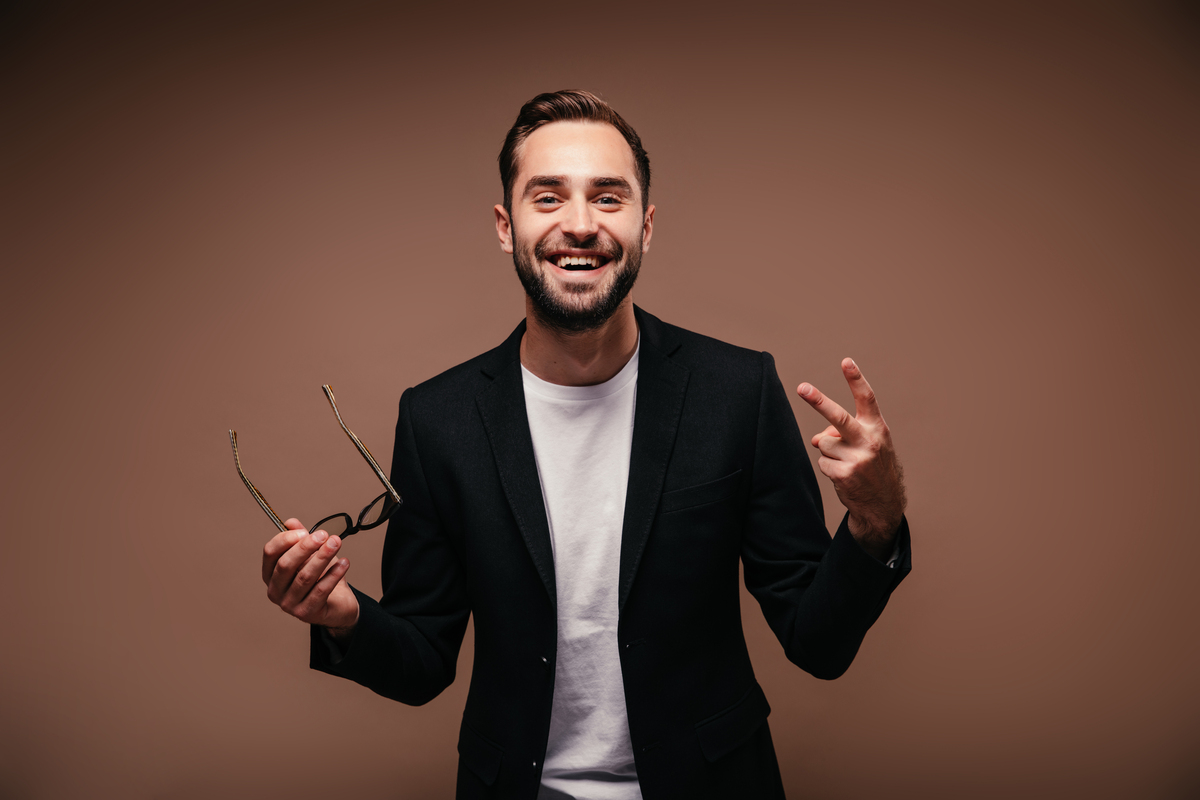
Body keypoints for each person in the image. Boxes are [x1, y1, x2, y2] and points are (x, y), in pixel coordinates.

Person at [260, 90, 911, 800]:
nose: (580, 225)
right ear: (506, 227)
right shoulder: (437, 418)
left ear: (646, 225)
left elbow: (818, 644)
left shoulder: (737, 391)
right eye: (548, 198)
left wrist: (875, 518)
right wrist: (343, 616)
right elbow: (423, 662)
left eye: (608, 198)